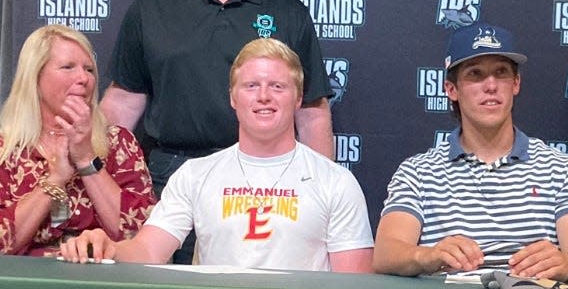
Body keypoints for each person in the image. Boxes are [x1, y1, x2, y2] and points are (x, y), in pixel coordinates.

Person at [100, 0, 334, 263]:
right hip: (169, 177)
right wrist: (93, 175)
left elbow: (311, 112)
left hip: (265, 179)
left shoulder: (287, 11)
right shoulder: (152, 6)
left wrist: (323, 196)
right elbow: (122, 104)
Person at [60, 38, 373, 271]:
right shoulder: (196, 175)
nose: (264, 96)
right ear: (233, 98)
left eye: (277, 86)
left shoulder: (335, 182)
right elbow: (148, 252)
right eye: (251, 85)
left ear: (298, 98)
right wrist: (107, 249)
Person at [373, 22, 568, 280]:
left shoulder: (562, 169)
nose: (491, 85)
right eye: (475, 74)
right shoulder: (417, 172)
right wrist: (428, 255)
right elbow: (385, 254)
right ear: (451, 89)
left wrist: (567, 263)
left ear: (516, 83)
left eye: (501, 72)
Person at [0, 24, 156, 257]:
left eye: (89, 70)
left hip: (101, 280)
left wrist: (86, 160)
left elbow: (140, 237)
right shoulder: (6, 148)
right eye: (68, 67)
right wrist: (56, 178)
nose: (83, 78)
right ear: (35, 76)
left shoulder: (119, 143)